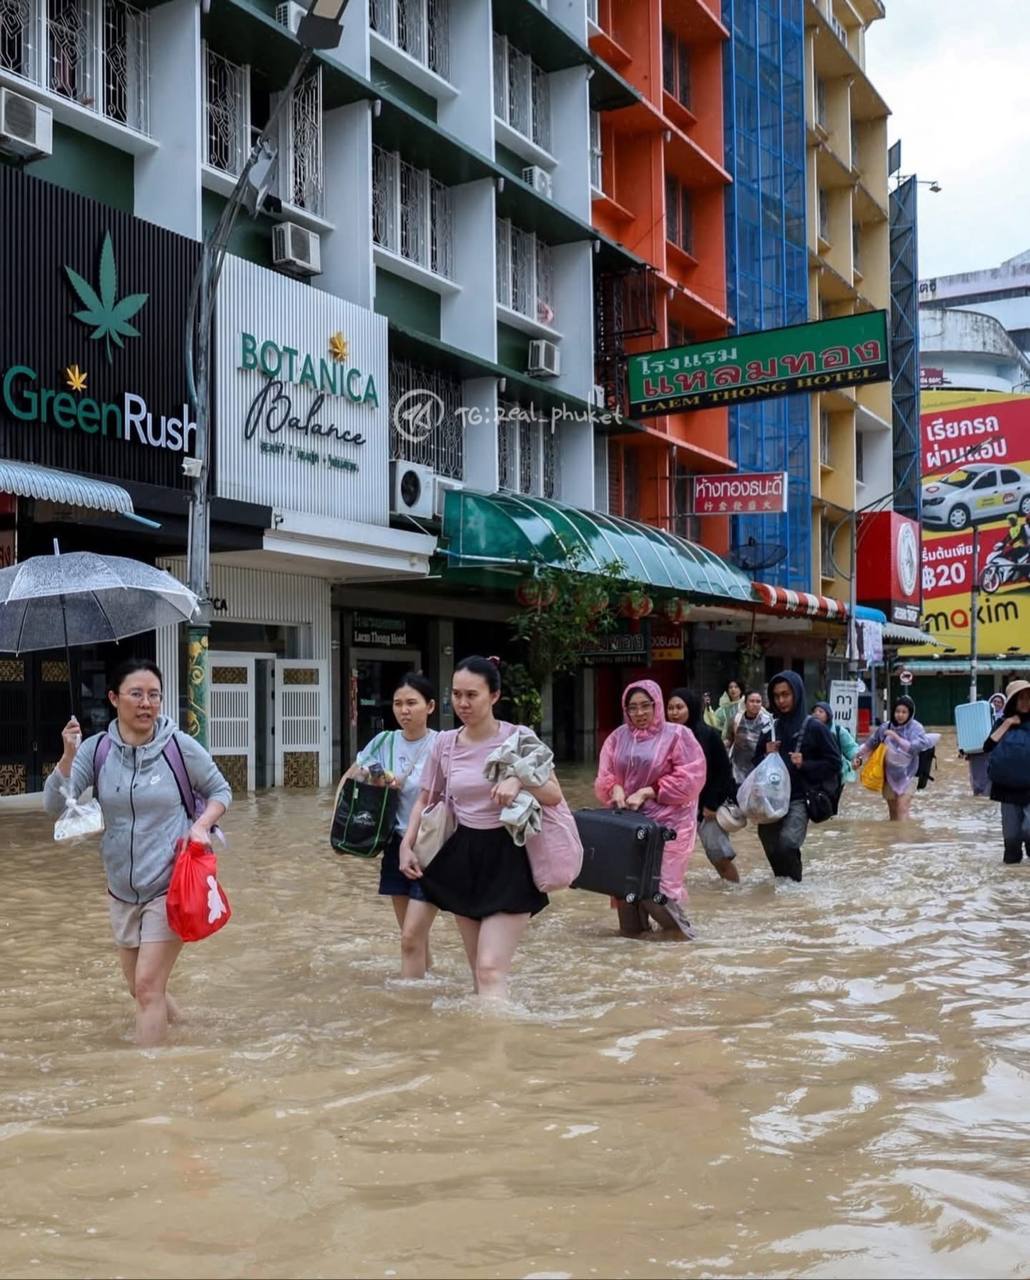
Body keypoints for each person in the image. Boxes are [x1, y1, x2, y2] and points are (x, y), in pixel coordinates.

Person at [43, 659, 232, 1047]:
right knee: (139, 987)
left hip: (170, 885)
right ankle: (188, 1029)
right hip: (121, 890)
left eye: (154, 695)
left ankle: (151, 1076)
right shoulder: (96, 750)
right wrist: (67, 756)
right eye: (136, 694)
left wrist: (200, 826)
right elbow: (54, 806)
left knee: (147, 987)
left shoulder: (179, 747)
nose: (147, 703)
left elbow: (220, 791)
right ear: (114, 698)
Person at [399, 656, 563, 1001]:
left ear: (494, 696)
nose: (462, 703)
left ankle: (499, 1035)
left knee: (490, 969)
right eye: (457, 694)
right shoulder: (445, 743)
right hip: (464, 855)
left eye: (472, 695)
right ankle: (481, 1034)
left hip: (510, 857)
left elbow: (553, 795)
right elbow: (426, 799)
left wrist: (519, 780)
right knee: (478, 970)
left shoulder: (520, 737)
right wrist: (406, 844)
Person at [339, 672, 438, 980]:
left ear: (430, 706)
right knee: (412, 935)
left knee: (410, 938)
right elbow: (351, 779)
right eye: (398, 703)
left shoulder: (442, 744)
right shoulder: (383, 741)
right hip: (395, 843)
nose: (404, 710)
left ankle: (409, 998)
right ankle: (429, 982)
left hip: (431, 845)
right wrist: (338, 828)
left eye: (412, 703)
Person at [594, 680, 707, 936]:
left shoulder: (678, 735)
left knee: (655, 891)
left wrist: (649, 791)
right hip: (628, 824)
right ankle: (635, 949)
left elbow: (691, 778)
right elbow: (605, 774)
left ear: (657, 705)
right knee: (626, 888)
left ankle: (685, 940)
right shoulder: (617, 737)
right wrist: (615, 788)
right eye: (632, 708)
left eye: (645, 706)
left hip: (669, 826)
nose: (639, 713)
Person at [753, 671, 841, 882]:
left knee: (788, 843)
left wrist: (805, 764)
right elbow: (755, 762)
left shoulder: (815, 728)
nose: (781, 701)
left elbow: (834, 763)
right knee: (770, 843)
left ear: (797, 694)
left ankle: (794, 885)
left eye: (786, 694)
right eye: (776, 696)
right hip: (772, 799)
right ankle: (784, 888)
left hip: (800, 798)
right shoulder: (770, 727)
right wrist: (765, 753)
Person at [667, 687, 739, 884]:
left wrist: (712, 804)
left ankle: (735, 892)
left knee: (719, 858)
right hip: (676, 809)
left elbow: (724, 771)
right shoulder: (665, 738)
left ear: (690, 708)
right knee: (669, 858)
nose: (674, 713)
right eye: (670, 708)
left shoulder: (709, 735)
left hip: (707, 809)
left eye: (679, 707)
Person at [854, 695, 938, 821]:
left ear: (910, 713)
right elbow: (870, 745)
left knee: (902, 807)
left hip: (910, 774)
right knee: (893, 812)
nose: (900, 715)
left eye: (904, 712)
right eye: (897, 711)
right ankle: (896, 833)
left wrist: (896, 738)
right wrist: (858, 758)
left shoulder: (916, 728)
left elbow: (915, 748)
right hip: (889, 775)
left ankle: (904, 833)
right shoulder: (885, 727)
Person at [981, 679, 1030, 864]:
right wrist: (1007, 723)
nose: (1025, 702)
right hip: (1007, 789)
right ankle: (1011, 876)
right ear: (1013, 701)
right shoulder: (1003, 723)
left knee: (1029, 829)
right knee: (1011, 839)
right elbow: (988, 746)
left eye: (1029, 698)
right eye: (1021, 698)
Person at [727, 689, 773, 786]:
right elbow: (729, 739)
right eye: (752, 701)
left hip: (760, 768)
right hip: (738, 768)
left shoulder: (767, 722)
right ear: (745, 703)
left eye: (758, 701)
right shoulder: (736, 720)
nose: (755, 704)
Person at [812, 701, 859, 784]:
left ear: (828, 715)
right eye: (814, 711)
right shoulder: (808, 731)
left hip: (836, 774)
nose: (817, 714)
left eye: (820, 711)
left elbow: (850, 747)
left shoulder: (838, 731)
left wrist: (855, 758)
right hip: (815, 773)